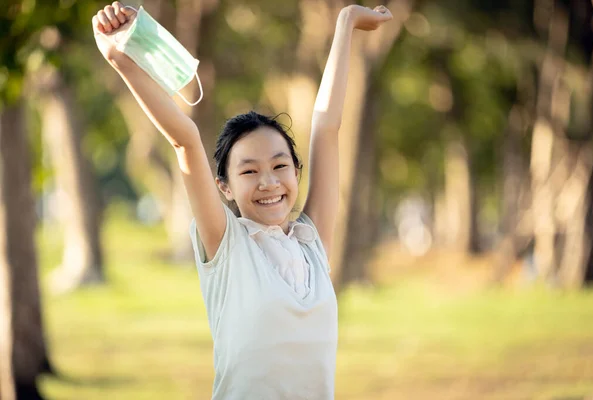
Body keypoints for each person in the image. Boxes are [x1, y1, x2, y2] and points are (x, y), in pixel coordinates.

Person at [92, 2, 393, 399]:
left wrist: (346, 22)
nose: (269, 182)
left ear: (296, 173)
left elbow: (327, 126)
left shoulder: (312, 243)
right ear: (225, 187)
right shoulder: (225, 243)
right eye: (249, 171)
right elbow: (184, 137)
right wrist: (119, 58)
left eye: (280, 166)